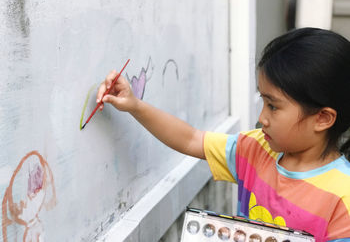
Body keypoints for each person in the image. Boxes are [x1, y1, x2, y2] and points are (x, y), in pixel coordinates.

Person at [96, 28, 350, 241]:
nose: (262, 117)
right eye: (263, 101)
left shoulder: (343, 196)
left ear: (323, 118)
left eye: (273, 106)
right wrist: (135, 105)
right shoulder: (256, 147)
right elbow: (191, 139)